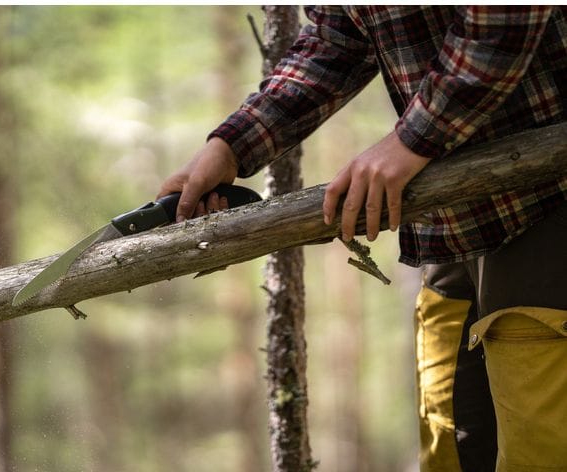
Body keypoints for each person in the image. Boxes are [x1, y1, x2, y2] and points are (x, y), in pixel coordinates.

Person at [158, 6, 567, 471]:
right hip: (453, 226)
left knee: (544, 453)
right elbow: (338, 38)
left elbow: (504, 22)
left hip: (548, 197)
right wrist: (231, 145)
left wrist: (411, 141)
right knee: (450, 451)